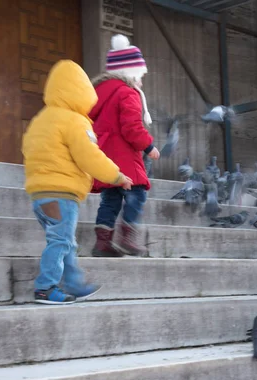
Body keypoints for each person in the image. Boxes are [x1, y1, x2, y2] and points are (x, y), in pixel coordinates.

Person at [22, 59, 133, 305]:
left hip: (40, 195)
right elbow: (90, 156)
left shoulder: (41, 119)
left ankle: (73, 283)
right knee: (61, 241)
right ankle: (45, 288)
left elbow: (28, 147)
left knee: (66, 242)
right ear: (81, 92)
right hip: (62, 195)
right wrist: (117, 176)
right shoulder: (75, 121)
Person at [90, 34, 160, 257]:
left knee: (110, 199)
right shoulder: (127, 93)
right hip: (124, 156)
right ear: (130, 74)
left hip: (105, 156)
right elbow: (131, 127)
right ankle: (127, 236)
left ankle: (103, 243)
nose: (141, 82)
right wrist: (149, 147)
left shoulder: (99, 93)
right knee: (136, 194)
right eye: (140, 76)